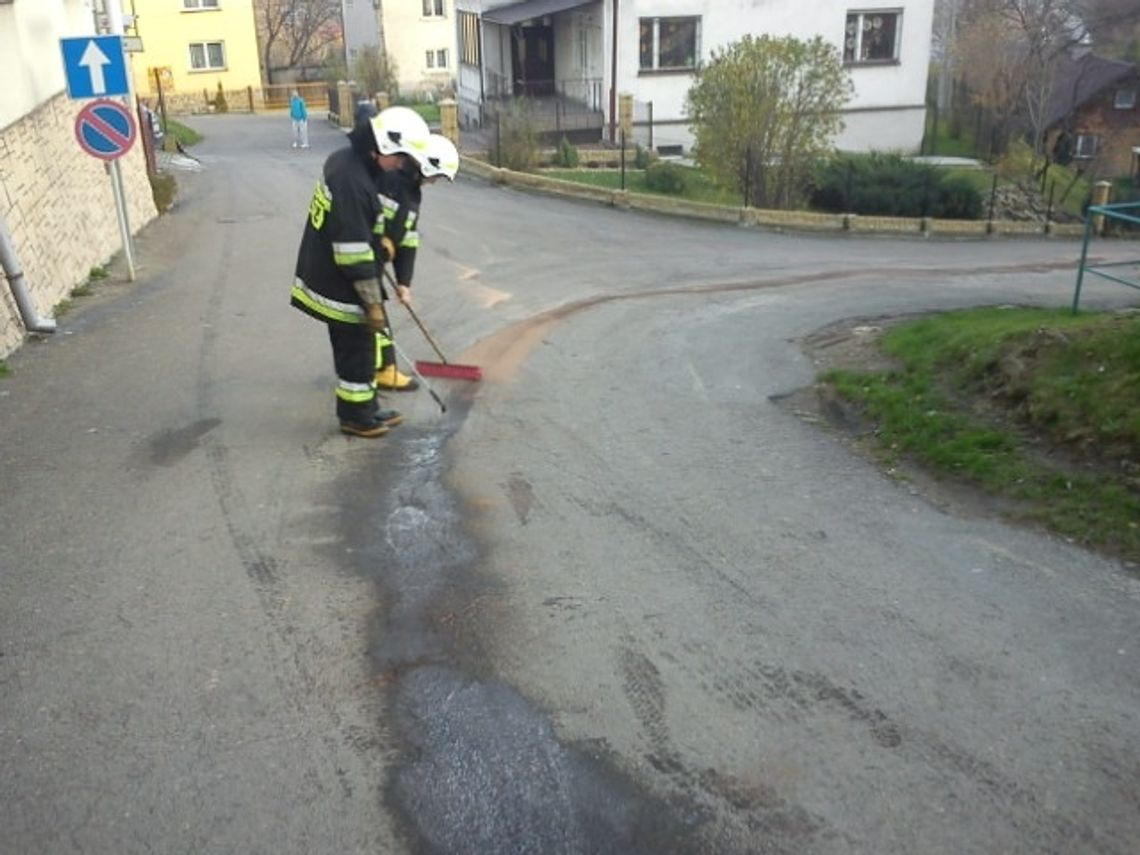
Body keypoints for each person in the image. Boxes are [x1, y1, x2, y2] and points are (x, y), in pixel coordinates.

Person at [290, 106, 431, 437]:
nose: (401, 165)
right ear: (383, 147)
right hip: (338, 281)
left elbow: (364, 227)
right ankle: (355, 417)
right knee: (356, 351)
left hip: (336, 272)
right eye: (400, 157)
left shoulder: (351, 162)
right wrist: (372, 302)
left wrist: (382, 242)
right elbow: (352, 253)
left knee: (363, 347)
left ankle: (366, 408)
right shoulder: (353, 181)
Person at [373, 133, 460, 392]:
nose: (434, 182)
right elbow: (362, 215)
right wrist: (376, 243)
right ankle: (381, 370)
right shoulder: (388, 181)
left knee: (373, 312)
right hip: (360, 258)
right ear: (427, 165)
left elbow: (408, 239)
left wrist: (404, 282)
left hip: (373, 261)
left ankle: (381, 369)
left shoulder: (412, 193)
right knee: (370, 314)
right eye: (437, 176)